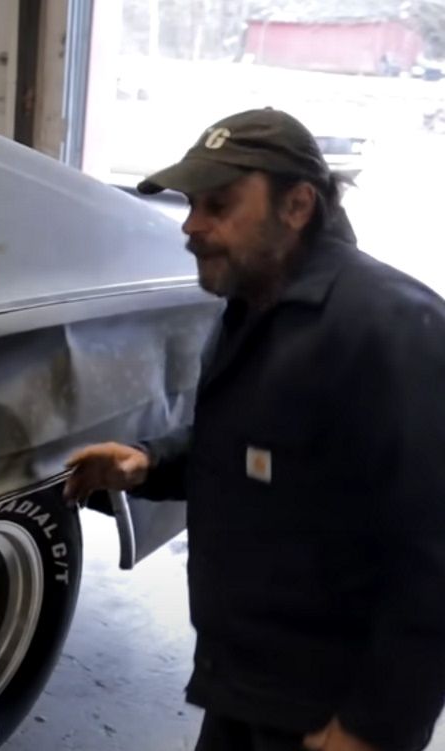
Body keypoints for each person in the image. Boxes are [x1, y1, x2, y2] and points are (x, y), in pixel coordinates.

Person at [64, 108, 445, 751]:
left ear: (296, 206)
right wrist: (149, 464)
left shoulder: (393, 330)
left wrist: (376, 725)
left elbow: (435, 555)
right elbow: (258, 450)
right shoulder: (255, 302)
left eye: (218, 205)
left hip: (329, 713)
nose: (191, 227)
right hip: (243, 686)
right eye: (191, 204)